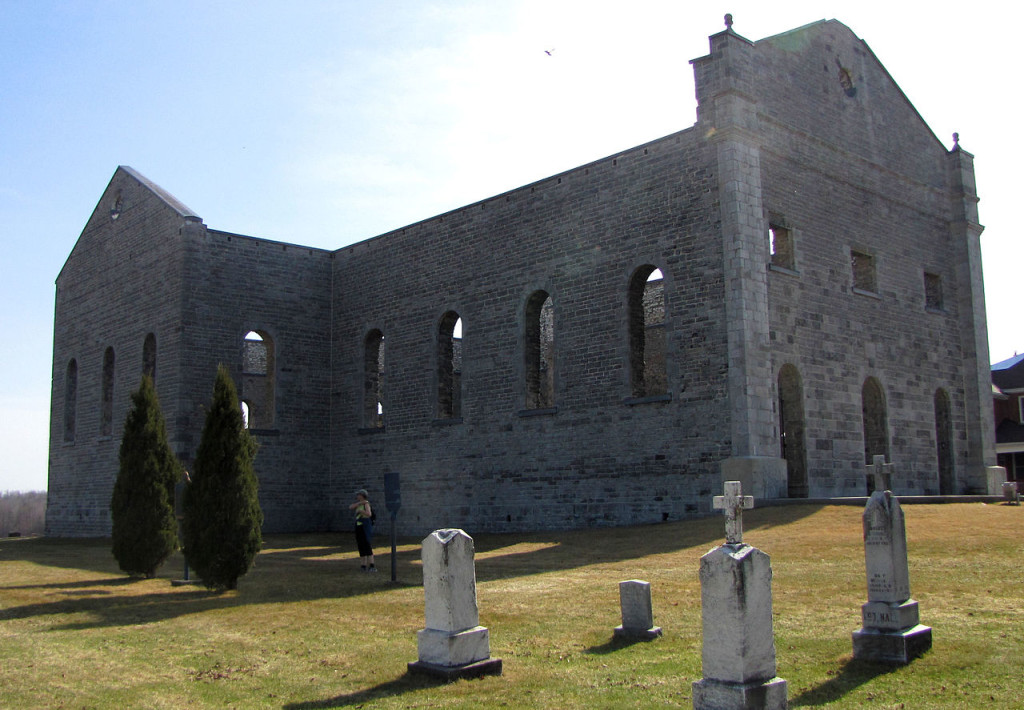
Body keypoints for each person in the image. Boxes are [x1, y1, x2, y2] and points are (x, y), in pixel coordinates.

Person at [349, 489, 376, 572]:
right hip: (359, 526)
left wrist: (361, 511)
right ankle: (363, 565)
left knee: (366, 544)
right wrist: (359, 503)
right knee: (360, 545)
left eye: (358, 495)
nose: (357, 496)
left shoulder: (366, 504)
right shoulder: (359, 504)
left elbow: (369, 514)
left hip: (365, 526)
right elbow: (351, 507)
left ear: (362, 495)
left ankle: (371, 565)